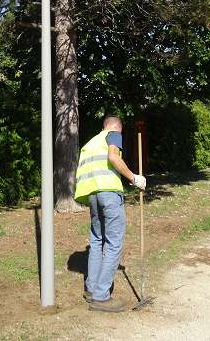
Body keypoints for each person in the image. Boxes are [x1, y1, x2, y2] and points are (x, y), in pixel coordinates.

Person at [74, 115, 146, 313]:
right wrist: (134, 179)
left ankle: (91, 289)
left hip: (92, 196)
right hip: (109, 194)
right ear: (116, 128)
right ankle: (101, 296)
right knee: (114, 242)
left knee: (97, 241)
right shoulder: (113, 135)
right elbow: (113, 157)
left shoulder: (90, 143)